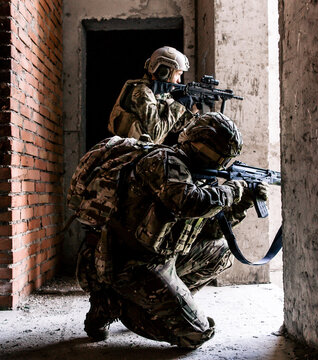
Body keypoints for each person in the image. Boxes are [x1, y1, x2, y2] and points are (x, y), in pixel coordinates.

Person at [77, 112, 267, 348]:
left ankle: (161, 302)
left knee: (220, 253)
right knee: (196, 334)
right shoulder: (164, 161)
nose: (219, 163)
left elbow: (212, 231)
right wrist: (233, 191)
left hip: (165, 257)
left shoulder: (196, 177)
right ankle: (114, 303)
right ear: (197, 142)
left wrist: (245, 202)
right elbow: (187, 201)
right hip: (132, 263)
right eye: (215, 155)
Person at [108, 46, 197, 144]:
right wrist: (178, 105)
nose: (179, 81)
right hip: (130, 152)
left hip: (142, 151)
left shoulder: (159, 94)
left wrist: (193, 109)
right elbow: (156, 134)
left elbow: (170, 127)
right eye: (178, 74)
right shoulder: (142, 93)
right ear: (164, 72)